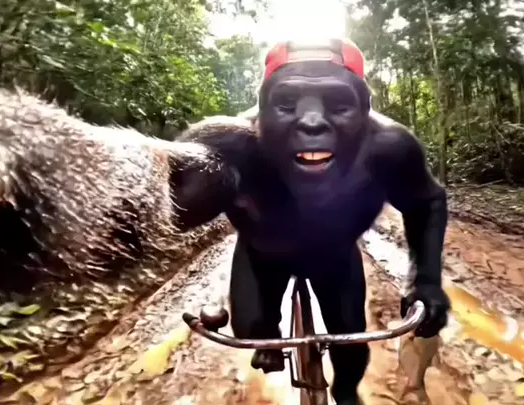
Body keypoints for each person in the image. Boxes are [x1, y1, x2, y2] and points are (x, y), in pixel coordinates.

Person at [176, 37, 450, 405]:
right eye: (287, 104)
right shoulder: (229, 144)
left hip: (335, 256)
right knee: (254, 331)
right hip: (260, 257)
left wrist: (425, 282)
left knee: (351, 347)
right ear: (262, 111)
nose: (311, 121)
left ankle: (346, 392)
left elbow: (427, 201)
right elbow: (167, 207)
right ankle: (270, 340)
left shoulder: (389, 146)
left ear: (365, 111)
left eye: (338, 105)